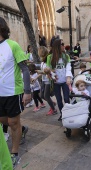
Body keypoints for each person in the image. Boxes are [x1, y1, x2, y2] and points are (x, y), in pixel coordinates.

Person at [0, 17, 31, 168]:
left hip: (13, 92)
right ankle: (21, 128)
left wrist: (27, 91)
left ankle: (14, 152)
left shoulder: (12, 45)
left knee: (12, 122)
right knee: (5, 120)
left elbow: (25, 69)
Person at [46, 39, 73, 121]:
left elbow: (68, 67)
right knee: (59, 100)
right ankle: (62, 114)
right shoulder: (50, 57)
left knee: (66, 98)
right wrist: (49, 72)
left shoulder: (66, 56)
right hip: (55, 82)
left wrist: (68, 77)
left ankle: (68, 113)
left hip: (65, 81)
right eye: (62, 44)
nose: (63, 46)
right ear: (57, 46)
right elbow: (48, 69)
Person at [37, 46, 57, 115]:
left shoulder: (47, 61)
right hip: (44, 80)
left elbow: (48, 71)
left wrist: (39, 72)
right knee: (41, 95)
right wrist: (36, 77)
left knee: (46, 96)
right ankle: (52, 103)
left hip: (48, 81)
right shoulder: (42, 62)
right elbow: (42, 71)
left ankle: (54, 110)